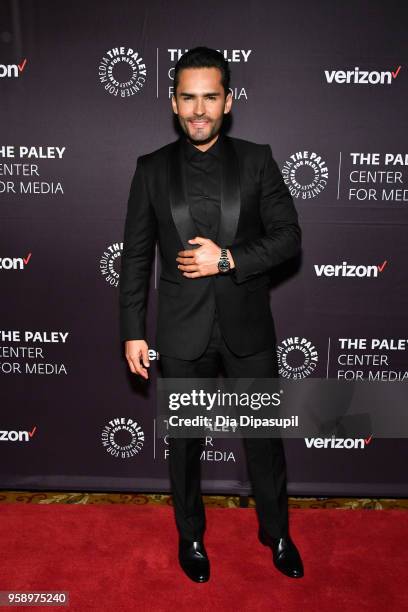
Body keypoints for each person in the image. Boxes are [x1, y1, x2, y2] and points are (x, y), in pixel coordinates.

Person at [119, 46, 303, 583]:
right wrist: (132, 331)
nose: (199, 109)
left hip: (247, 327)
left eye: (210, 97)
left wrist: (225, 259)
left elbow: (289, 237)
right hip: (180, 333)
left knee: (265, 442)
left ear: (228, 101)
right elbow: (134, 255)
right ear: (174, 103)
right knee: (183, 446)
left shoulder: (257, 159)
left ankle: (278, 532)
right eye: (188, 97)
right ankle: (191, 535)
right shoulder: (151, 169)